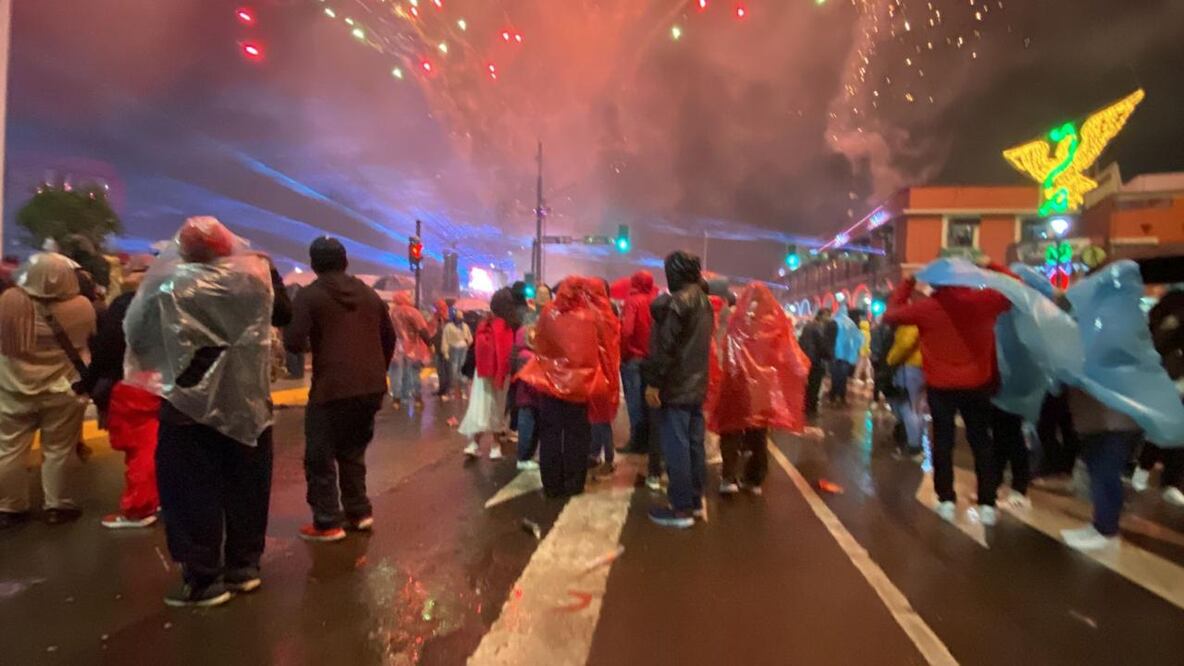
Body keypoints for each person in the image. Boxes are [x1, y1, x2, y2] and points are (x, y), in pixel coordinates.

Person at [125, 216, 289, 607]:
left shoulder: (166, 286)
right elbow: (283, 314)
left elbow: (137, 334)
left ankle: (202, 578)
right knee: (247, 484)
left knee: (190, 491)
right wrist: (270, 271)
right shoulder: (253, 280)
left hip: (186, 401)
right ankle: (244, 566)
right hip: (247, 399)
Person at [284, 237, 395, 543]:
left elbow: (293, 341)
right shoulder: (370, 295)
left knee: (320, 455)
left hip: (332, 387)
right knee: (352, 451)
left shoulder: (310, 295)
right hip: (370, 387)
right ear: (345, 262)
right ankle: (359, 512)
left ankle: (327, 521)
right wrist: (375, 371)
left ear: (314, 263)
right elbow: (389, 337)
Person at [883, 263, 1011, 525]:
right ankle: (987, 503)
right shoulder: (984, 302)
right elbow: (1014, 287)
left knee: (943, 443)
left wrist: (908, 282)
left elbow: (891, 314)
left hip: (941, 386)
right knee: (981, 443)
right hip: (978, 383)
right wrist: (990, 265)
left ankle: (947, 500)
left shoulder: (928, 308)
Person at [0, 253, 96, 528]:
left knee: (9, 449)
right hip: (62, 389)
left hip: (12, 388)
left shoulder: (10, 302)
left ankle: (10, 507)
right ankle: (57, 505)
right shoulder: (82, 306)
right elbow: (88, 338)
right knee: (59, 450)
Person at [78, 257, 163, 529]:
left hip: (135, 385)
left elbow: (107, 348)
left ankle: (139, 507)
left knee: (141, 448)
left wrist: (90, 382)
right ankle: (156, 497)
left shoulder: (127, 304)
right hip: (167, 384)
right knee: (155, 444)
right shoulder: (176, 301)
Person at [517, 277, 616, 497]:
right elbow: (603, 348)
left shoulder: (549, 314)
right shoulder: (590, 316)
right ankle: (574, 483)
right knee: (577, 435)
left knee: (550, 435)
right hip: (580, 387)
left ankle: (552, 484)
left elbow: (540, 344)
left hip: (551, 385)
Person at [713, 283, 809, 495]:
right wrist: (801, 369)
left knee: (731, 430)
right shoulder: (776, 325)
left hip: (737, 384)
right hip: (762, 389)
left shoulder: (737, 322)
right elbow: (791, 355)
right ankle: (754, 479)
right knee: (758, 432)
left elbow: (726, 351)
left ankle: (729, 478)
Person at [643, 252, 713, 528]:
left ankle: (681, 507)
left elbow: (666, 349)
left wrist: (654, 383)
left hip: (676, 385)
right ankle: (694, 501)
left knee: (677, 447)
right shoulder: (704, 302)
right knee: (695, 446)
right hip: (697, 384)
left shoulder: (679, 303)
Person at [1131, 285, 1184, 504]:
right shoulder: (1169, 315)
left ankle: (1169, 481)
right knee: (1162, 428)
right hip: (1168, 378)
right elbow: (1156, 343)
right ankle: (1145, 469)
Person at [459, 311, 513, 459]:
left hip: (481, 373)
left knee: (480, 406)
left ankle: (474, 444)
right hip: (499, 373)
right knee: (497, 406)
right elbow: (507, 352)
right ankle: (495, 446)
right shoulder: (505, 325)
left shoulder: (484, 325)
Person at [618, 270, 657, 454]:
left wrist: (623, 353)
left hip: (633, 358)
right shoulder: (654, 300)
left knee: (634, 403)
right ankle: (649, 442)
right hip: (651, 359)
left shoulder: (632, 302)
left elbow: (626, 331)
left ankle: (636, 442)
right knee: (648, 403)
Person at [587, 280, 622, 475]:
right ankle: (601, 455)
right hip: (609, 369)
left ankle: (604, 456)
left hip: (595, 370)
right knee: (603, 416)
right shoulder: (611, 311)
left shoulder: (591, 313)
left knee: (598, 417)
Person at [884, 324, 925, 458]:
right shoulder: (927, 318)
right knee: (917, 407)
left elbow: (905, 344)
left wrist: (891, 359)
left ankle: (913, 445)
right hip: (922, 365)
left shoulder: (910, 323)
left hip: (909, 366)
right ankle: (916, 442)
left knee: (907, 406)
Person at [389, 291, 431, 409]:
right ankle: (417, 398)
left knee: (396, 373)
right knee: (413, 372)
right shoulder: (412, 312)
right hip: (412, 347)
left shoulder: (393, 312)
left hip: (396, 347)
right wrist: (429, 344)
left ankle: (396, 400)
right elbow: (422, 330)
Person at [511, 323, 540, 470]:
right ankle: (523, 458)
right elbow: (530, 378)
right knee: (527, 430)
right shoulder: (526, 356)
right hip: (528, 398)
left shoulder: (527, 354)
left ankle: (527, 456)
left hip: (529, 399)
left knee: (531, 429)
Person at [798, 309, 833, 416]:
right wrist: (829, 355)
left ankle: (806, 405)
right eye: (828, 316)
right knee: (815, 384)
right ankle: (811, 408)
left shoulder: (808, 326)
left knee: (808, 384)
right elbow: (821, 345)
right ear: (822, 316)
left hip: (806, 358)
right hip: (815, 359)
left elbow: (801, 342)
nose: (829, 318)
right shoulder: (819, 327)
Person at [828, 306, 862, 405]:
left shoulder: (834, 322)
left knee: (835, 375)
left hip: (835, 354)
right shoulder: (851, 324)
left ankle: (833, 396)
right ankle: (842, 396)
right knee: (843, 376)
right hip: (846, 355)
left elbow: (828, 337)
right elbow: (858, 339)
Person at [442, 309, 473, 401]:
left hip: (463, 349)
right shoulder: (449, 327)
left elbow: (470, 338)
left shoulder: (465, 326)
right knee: (453, 371)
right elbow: (445, 339)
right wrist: (446, 352)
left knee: (461, 371)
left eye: (461, 317)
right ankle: (451, 391)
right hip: (454, 349)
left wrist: (468, 342)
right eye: (458, 317)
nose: (459, 319)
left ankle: (462, 391)